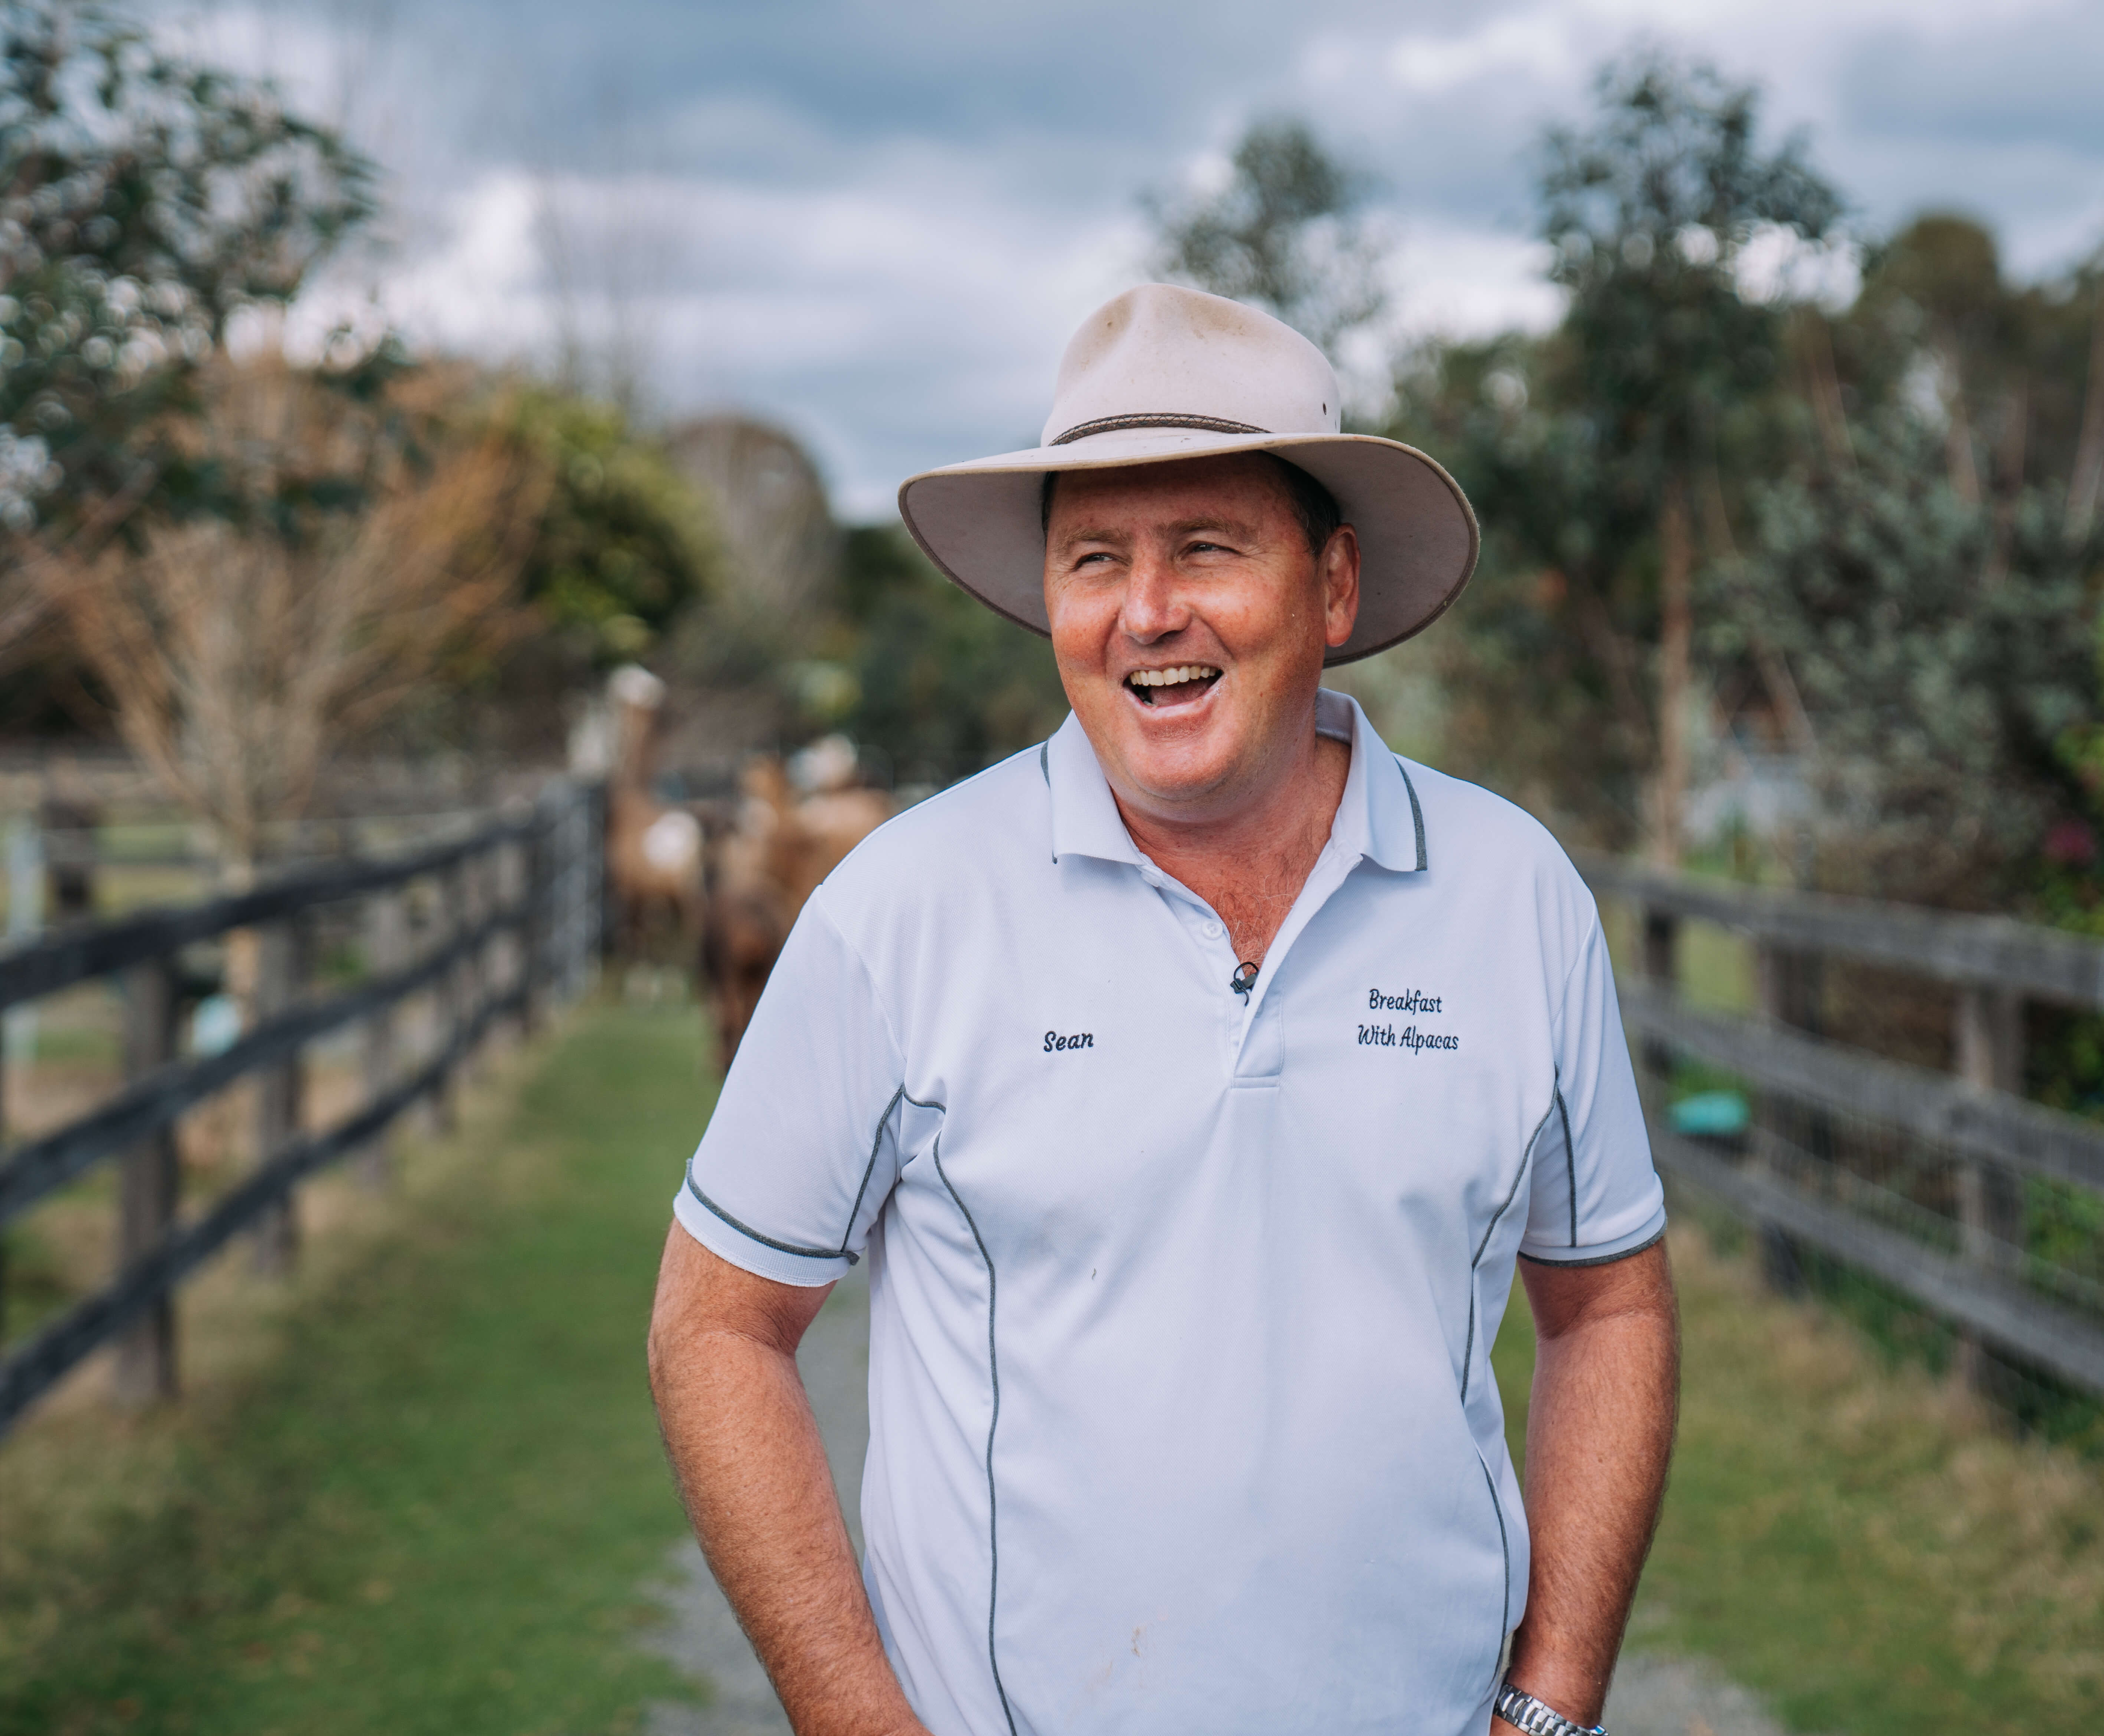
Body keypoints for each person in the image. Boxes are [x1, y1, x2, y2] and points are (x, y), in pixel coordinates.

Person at [647, 284, 1677, 1736]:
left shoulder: (1514, 897)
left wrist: (1554, 1700)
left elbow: (1611, 1303)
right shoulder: (906, 908)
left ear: (1332, 584)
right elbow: (716, 1326)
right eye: (1095, 559)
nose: (1147, 614)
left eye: (1207, 548)